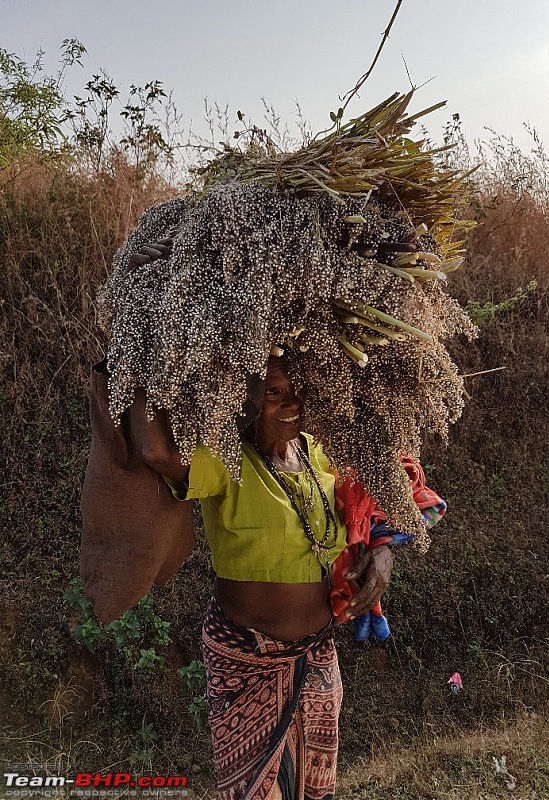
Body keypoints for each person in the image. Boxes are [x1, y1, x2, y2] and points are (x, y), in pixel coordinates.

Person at [124, 238, 393, 800]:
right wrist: (144, 318)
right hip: (245, 663)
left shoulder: (322, 456)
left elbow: (378, 514)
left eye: (295, 391)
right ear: (244, 398)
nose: (289, 404)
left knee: (315, 789)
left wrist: (384, 555)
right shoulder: (225, 463)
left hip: (318, 655)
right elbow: (152, 450)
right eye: (272, 392)